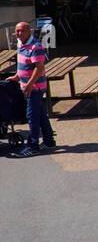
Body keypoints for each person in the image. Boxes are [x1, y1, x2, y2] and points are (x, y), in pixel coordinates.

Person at [7, 21, 55, 156]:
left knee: (32, 116)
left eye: (22, 31)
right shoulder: (20, 44)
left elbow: (39, 68)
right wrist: (17, 76)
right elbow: (22, 63)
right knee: (40, 114)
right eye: (17, 31)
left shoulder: (36, 47)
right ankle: (49, 141)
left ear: (29, 31)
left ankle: (32, 146)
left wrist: (29, 84)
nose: (19, 33)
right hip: (26, 86)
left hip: (35, 87)